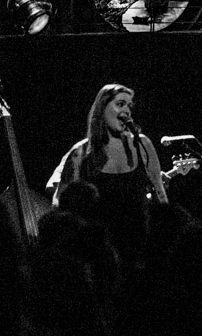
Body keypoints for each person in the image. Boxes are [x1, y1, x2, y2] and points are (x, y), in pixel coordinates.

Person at [46, 84, 169, 276]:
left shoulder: (142, 145)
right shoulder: (81, 152)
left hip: (138, 248)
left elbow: (160, 194)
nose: (127, 111)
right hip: (98, 252)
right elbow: (59, 201)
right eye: (120, 104)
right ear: (102, 108)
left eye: (129, 106)